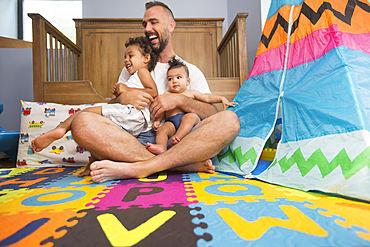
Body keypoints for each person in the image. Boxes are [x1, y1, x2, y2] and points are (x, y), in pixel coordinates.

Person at [70, 1, 240, 183]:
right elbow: (112, 111)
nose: (147, 28)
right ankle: (176, 165)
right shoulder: (134, 66)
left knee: (229, 120)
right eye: (144, 24)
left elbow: (211, 114)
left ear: (171, 25)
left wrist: (179, 101)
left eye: (153, 22)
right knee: (81, 123)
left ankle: (142, 167)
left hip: (182, 140)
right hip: (137, 142)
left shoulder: (189, 70)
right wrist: (125, 97)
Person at [31, 36, 158, 175]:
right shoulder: (130, 78)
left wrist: (127, 91)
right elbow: (115, 101)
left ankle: (61, 128)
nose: (126, 60)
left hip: (134, 114)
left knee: (88, 111)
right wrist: (118, 95)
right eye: (125, 57)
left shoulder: (142, 72)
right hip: (129, 116)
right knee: (98, 132)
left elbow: (153, 91)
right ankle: (92, 163)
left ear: (146, 58)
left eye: (130, 55)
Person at [146, 57, 236, 155]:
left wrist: (221, 98)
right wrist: (158, 121)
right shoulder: (166, 94)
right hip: (171, 121)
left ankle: (178, 138)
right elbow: (162, 109)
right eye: (170, 79)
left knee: (191, 117)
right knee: (162, 130)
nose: (174, 81)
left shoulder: (191, 93)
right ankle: (161, 146)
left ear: (188, 81)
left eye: (178, 77)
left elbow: (207, 98)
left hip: (186, 119)